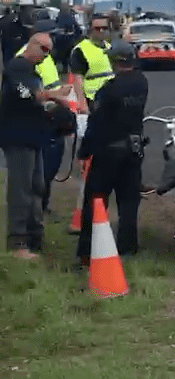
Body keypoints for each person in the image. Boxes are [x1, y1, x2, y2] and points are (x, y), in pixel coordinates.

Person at [76, 40, 149, 266]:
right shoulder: (141, 82)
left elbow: (96, 123)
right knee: (129, 202)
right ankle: (128, 249)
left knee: (95, 201)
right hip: (133, 150)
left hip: (108, 153)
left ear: (115, 61)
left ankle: (89, 252)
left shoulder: (109, 90)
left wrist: (84, 151)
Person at [0, 33, 72, 259]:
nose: (46, 55)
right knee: (22, 189)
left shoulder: (31, 70)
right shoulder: (17, 67)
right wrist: (55, 95)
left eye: (49, 51)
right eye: (44, 49)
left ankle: (35, 237)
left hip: (33, 135)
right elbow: (28, 94)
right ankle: (17, 242)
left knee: (37, 186)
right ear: (31, 45)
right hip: (18, 136)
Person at [16, 19, 67, 214]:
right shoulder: (24, 60)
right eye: (49, 37)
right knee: (42, 166)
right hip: (41, 113)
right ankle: (36, 207)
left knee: (51, 162)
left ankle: (42, 204)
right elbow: (25, 92)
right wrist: (52, 95)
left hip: (53, 109)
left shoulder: (45, 55)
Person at [69, 14, 114, 114]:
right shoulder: (81, 50)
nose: (102, 31)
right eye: (97, 28)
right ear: (90, 29)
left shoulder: (109, 47)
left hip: (111, 98)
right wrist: (82, 102)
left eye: (104, 28)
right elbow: (77, 79)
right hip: (93, 100)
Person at [54, 2, 83, 74]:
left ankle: (63, 69)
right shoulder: (67, 17)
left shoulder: (60, 17)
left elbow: (78, 30)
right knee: (65, 57)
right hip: (65, 40)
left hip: (62, 40)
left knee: (63, 57)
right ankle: (64, 69)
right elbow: (78, 30)